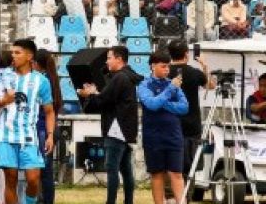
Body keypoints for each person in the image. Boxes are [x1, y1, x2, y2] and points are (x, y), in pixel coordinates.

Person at [0, 39, 55, 204]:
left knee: (34, 178)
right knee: (10, 179)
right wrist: (3, 100)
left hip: (29, 137)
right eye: (12, 52)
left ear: (29, 56)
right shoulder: (2, 76)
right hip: (5, 137)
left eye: (17, 52)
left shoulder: (41, 81)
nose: (13, 56)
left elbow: (49, 111)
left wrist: (50, 135)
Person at [79, 45, 142, 204]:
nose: (106, 62)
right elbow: (111, 98)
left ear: (119, 59)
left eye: (109, 58)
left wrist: (91, 94)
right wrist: (95, 94)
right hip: (125, 128)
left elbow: (102, 100)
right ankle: (128, 201)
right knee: (126, 169)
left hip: (116, 128)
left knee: (112, 168)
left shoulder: (120, 78)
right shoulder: (127, 76)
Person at [137, 52, 189, 204]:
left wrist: (163, 103)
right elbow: (151, 105)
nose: (167, 69)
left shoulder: (173, 84)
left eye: (168, 66)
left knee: (176, 173)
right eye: (163, 66)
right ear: (153, 66)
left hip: (173, 135)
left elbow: (184, 107)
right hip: (153, 136)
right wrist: (168, 92)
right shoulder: (144, 85)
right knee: (157, 174)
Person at [167, 41, 214, 179]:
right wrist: (205, 66)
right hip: (191, 125)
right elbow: (210, 85)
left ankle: (173, 196)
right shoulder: (194, 73)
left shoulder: (166, 72)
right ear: (186, 54)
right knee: (190, 166)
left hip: (170, 124)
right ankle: (187, 194)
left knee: (172, 165)